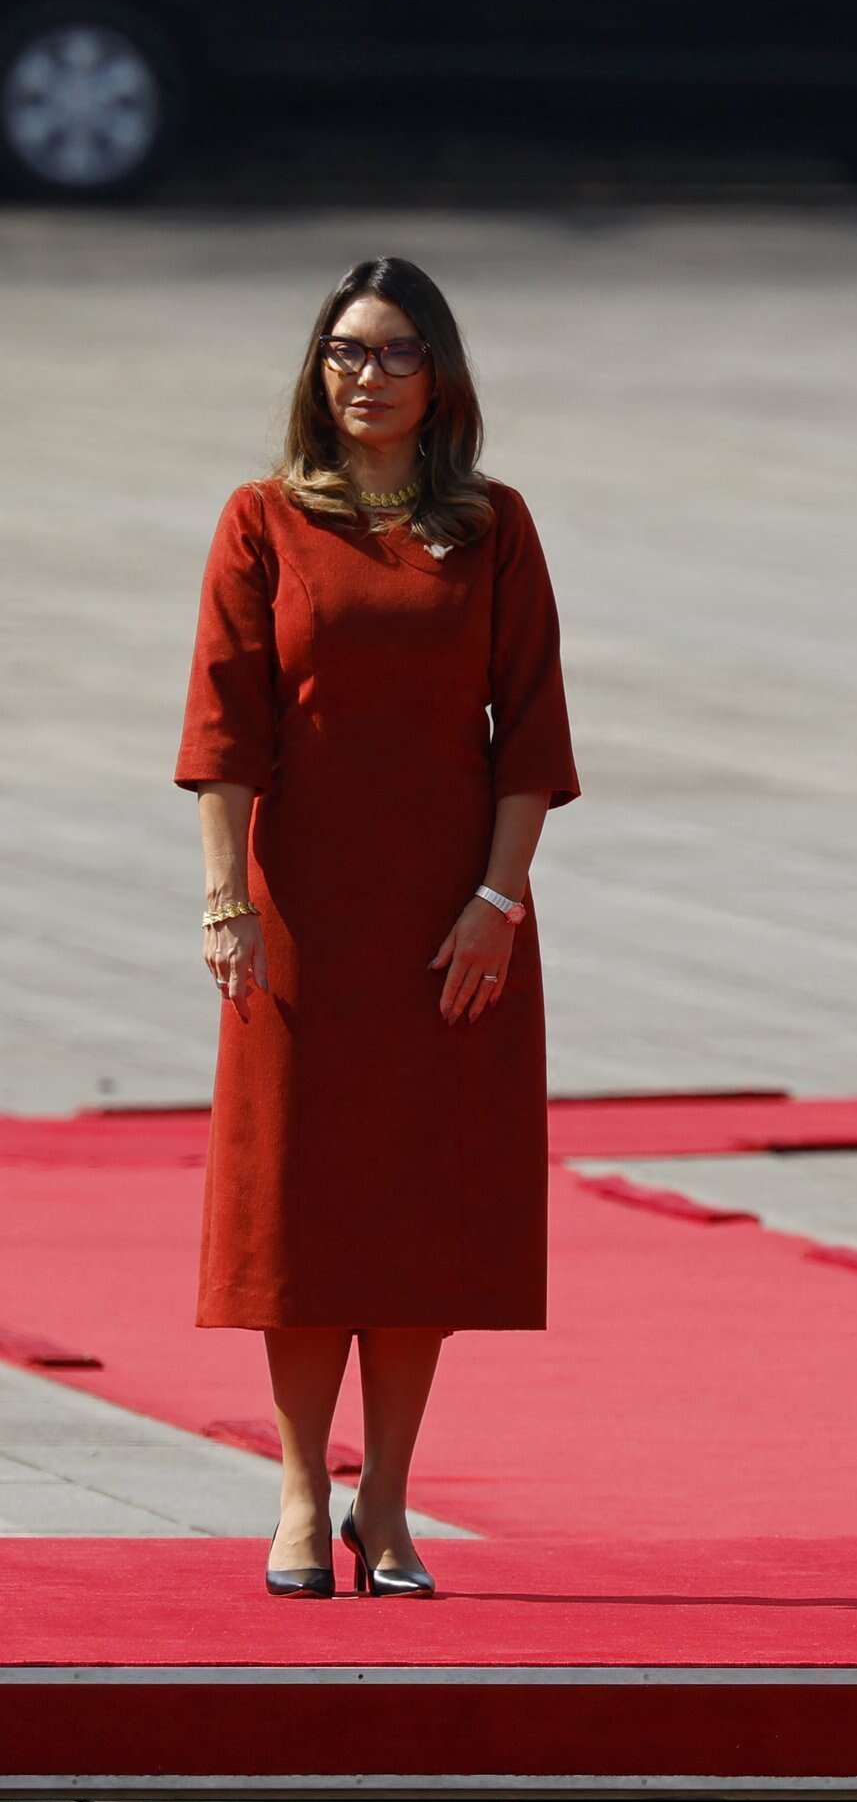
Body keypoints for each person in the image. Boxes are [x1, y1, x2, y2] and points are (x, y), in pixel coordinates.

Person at [177, 256, 578, 1600]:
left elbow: (531, 736)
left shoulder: (493, 526)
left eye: (395, 351)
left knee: (418, 1210)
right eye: (345, 352)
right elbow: (224, 728)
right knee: (299, 1211)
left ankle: (389, 1502)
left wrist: (496, 903)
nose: (366, 376)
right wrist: (228, 897)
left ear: (439, 373)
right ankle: (299, 1490)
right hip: (300, 915)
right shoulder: (262, 521)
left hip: (449, 921)